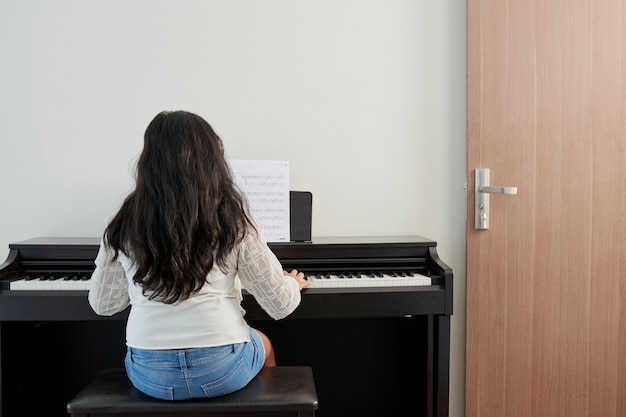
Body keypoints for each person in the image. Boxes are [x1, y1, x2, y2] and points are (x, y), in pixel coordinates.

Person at [88, 110, 310, 401]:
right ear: (211, 161)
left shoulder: (122, 223)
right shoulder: (234, 218)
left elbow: (103, 304)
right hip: (223, 370)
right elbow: (280, 305)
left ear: (149, 162)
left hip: (149, 374)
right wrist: (292, 283)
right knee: (264, 342)